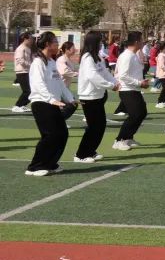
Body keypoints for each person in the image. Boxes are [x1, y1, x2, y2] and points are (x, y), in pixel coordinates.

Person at [25, 32, 77, 176]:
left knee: (62, 134)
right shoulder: (38, 62)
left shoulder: (52, 62)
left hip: (53, 103)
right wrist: (51, 99)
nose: (57, 44)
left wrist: (70, 98)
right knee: (50, 135)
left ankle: (50, 163)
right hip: (41, 103)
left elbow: (59, 83)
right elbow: (38, 84)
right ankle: (35, 167)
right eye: (55, 41)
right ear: (47, 44)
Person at [75, 31, 119, 162]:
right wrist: (110, 86)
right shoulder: (87, 57)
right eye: (100, 41)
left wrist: (115, 82)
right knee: (93, 126)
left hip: (98, 95)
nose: (101, 43)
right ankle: (81, 155)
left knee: (100, 125)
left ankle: (91, 151)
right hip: (88, 96)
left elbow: (105, 73)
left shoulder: (98, 57)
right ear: (94, 42)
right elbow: (93, 76)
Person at [112, 32, 149, 151]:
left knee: (142, 113)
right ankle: (119, 140)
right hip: (127, 89)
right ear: (137, 42)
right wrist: (139, 83)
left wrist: (141, 82)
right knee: (135, 114)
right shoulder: (127, 56)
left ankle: (128, 137)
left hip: (134, 88)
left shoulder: (134, 55)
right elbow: (122, 75)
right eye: (142, 40)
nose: (143, 42)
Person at [11, 31, 34, 113]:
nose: (32, 40)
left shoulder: (28, 48)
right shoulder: (21, 48)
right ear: (25, 39)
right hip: (22, 72)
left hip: (27, 71)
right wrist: (31, 65)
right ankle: (17, 106)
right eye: (30, 38)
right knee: (27, 90)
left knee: (32, 90)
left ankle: (22, 105)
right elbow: (20, 60)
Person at [153, 42, 165, 107]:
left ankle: (163, 101)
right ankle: (160, 101)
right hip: (163, 74)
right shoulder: (161, 55)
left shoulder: (164, 55)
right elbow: (162, 66)